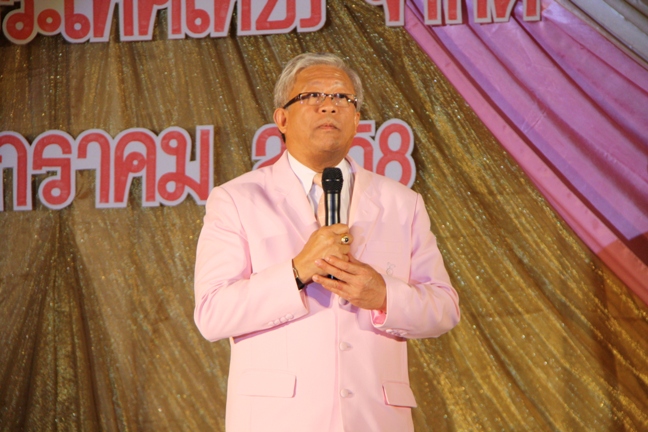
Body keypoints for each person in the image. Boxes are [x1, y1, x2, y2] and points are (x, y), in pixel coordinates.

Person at [194, 53, 460, 432]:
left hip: (375, 419)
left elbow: (444, 309)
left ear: (357, 120)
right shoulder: (238, 199)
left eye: (342, 98)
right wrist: (297, 271)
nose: (329, 105)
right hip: (278, 420)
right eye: (312, 96)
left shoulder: (401, 203)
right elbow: (212, 313)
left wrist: (383, 295)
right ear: (282, 119)